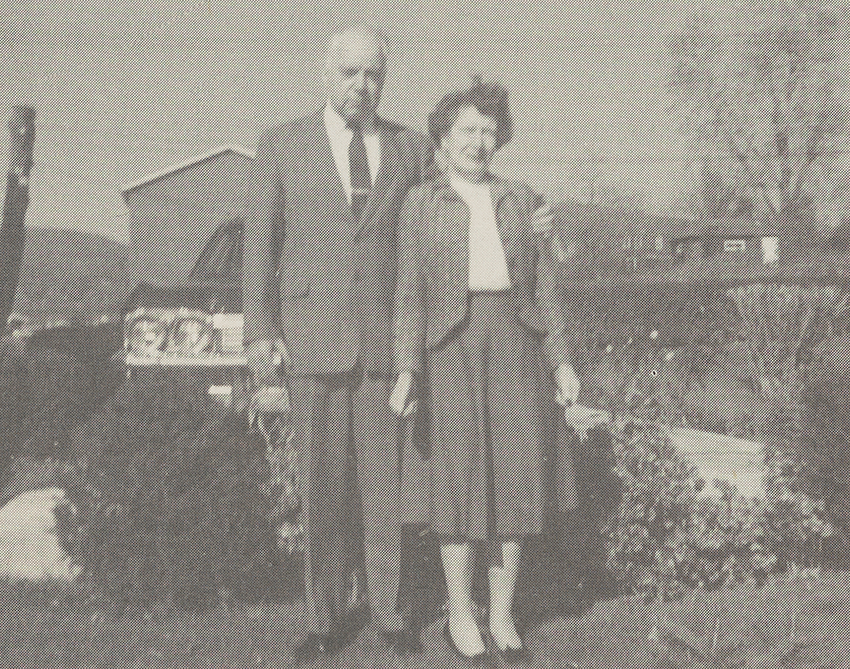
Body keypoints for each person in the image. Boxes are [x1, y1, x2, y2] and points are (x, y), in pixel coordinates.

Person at [242, 25, 433, 660]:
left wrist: (527, 213)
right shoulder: (281, 144)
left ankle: (390, 613)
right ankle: (323, 618)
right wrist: (263, 355)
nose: (363, 86)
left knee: (384, 492)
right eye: (351, 73)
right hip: (308, 346)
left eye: (374, 75)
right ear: (326, 72)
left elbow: (440, 224)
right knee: (320, 491)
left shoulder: (410, 148)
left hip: (382, 348)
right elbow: (258, 260)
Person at [391, 80, 580, 662]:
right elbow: (410, 296)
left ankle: (501, 614)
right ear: (443, 139)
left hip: (515, 344)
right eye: (467, 130)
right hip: (451, 346)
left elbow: (545, 287)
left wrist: (562, 360)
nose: (480, 140)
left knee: (515, 478)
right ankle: (460, 614)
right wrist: (406, 370)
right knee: (461, 480)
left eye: (488, 130)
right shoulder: (421, 204)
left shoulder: (523, 199)